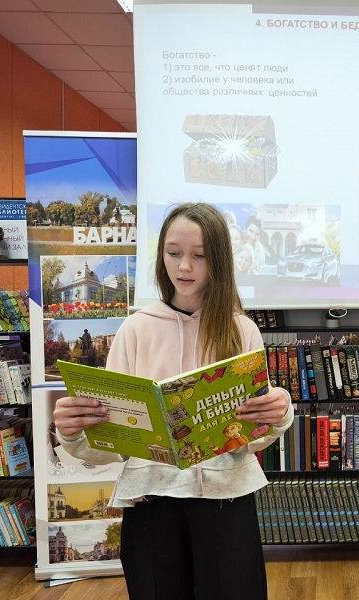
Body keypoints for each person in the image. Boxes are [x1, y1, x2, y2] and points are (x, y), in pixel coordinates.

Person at [53, 202, 294, 600]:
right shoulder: (135, 329)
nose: (184, 266)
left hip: (226, 497)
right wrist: (73, 434)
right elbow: (110, 447)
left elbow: (252, 437)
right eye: (173, 252)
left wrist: (278, 414)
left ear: (220, 260)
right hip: (151, 500)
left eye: (200, 255)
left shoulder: (241, 330)